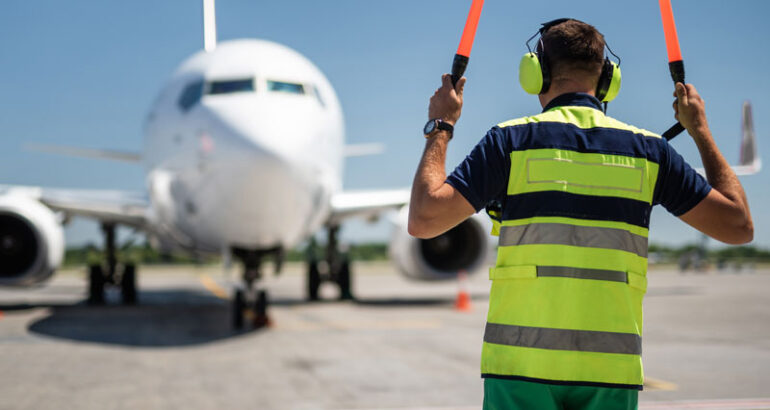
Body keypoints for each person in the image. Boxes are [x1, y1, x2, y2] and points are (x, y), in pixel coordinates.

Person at [408, 18, 752, 410]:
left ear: (536, 73)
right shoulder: (649, 152)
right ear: (608, 79)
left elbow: (424, 218)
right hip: (610, 370)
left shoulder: (510, 142)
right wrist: (700, 130)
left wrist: (442, 125)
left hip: (520, 366)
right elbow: (738, 225)